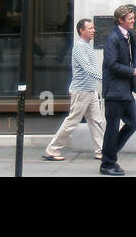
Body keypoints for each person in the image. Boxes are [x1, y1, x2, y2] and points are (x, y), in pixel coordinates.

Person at [42, 18, 106, 162]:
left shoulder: (88, 46)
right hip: (81, 91)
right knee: (72, 121)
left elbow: (91, 69)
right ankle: (52, 150)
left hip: (91, 91)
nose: (93, 30)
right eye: (90, 28)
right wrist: (104, 79)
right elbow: (87, 68)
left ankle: (101, 151)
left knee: (97, 121)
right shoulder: (79, 46)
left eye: (93, 28)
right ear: (81, 31)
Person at [100, 4, 136, 176]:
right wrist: (133, 71)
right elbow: (111, 65)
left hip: (126, 90)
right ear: (120, 20)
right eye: (130, 19)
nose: (134, 21)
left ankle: (109, 155)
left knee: (133, 123)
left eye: (134, 18)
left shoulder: (128, 36)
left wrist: (134, 68)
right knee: (112, 127)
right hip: (114, 92)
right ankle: (107, 163)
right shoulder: (113, 38)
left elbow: (127, 60)